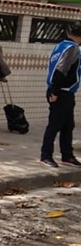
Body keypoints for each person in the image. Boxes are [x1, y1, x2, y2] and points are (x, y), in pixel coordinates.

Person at [39, 21, 81, 168]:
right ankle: (46, 155)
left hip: (63, 91)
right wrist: (55, 91)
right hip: (61, 92)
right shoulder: (72, 48)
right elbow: (60, 71)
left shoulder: (61, 45)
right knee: (54, 125)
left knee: (68, 125)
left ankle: (67, 155)